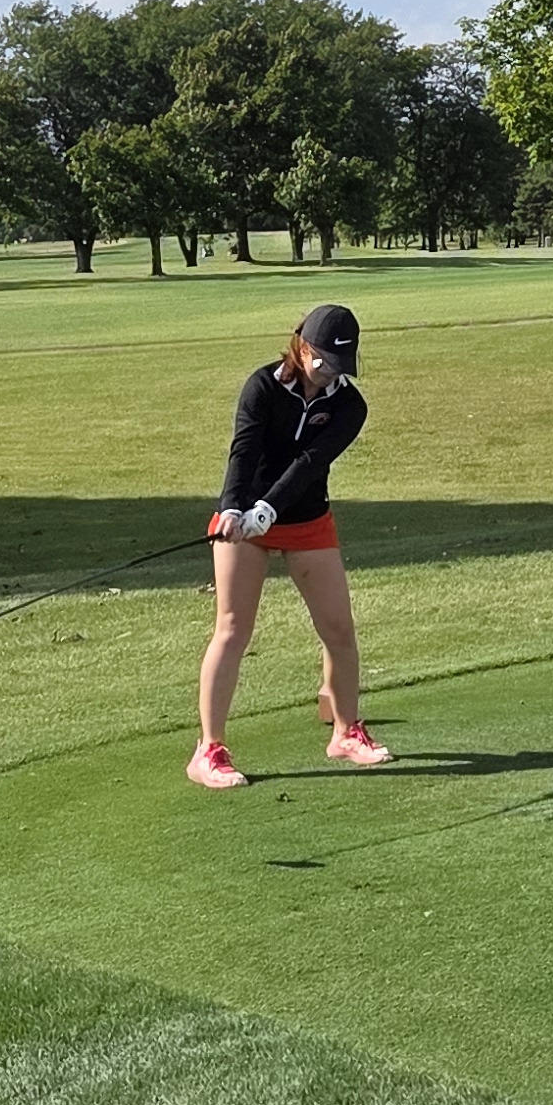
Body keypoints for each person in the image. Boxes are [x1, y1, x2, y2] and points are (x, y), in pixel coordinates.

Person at [191, 302, 388, 787]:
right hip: (243, 521)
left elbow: (310, 462)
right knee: (232, 629)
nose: (330, 372)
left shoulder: (350, 406)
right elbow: (244, 452)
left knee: (338, 629)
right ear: (302, 347)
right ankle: (209, 751)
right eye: (324, 360)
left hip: (306, 519)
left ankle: (345, 732)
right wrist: (234, 509)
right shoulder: (262, 386)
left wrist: (269, 510)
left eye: (340, 364)